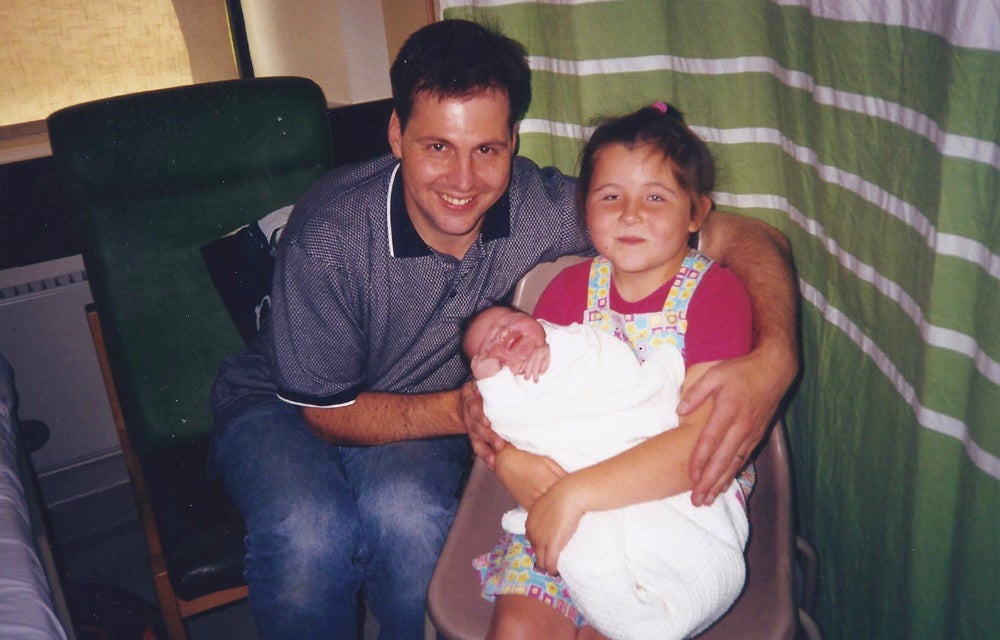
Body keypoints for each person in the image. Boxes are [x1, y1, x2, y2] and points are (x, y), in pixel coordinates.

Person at [209, 18, 796, 640]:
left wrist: (778, 352)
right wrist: (475, 416)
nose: (463, 181)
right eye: (437, 146)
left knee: (408, 522)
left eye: (485, 149)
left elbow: (745, 237)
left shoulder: (551, 210)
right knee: (309, 534)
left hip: (423, 409)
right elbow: (326, 410)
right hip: (287, 399)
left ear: (512, 142)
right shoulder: (329, 233)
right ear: (396, 133)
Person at [477, 103, 757, 639]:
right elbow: (524, 405)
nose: (631, 214)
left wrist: (575, 494)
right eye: (611, 197)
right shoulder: (565, 291)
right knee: (516, 631)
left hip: (668, 498)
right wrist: (511, 457)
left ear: (698, 213)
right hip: (563, 487)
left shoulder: (716, 295)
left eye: (656, 197)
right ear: (585, 209)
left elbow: (701, 445)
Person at [463, 305, 750, 639]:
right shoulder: (565, 291)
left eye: (507, 321)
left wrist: (560, 349)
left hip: (654, 466)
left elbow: (695, 437)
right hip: (558, 494)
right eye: (488, 345)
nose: (500, 333)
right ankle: (630, 614)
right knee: (528, 622)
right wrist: (492, 385)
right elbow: (506, 423)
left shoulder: (712, 295)